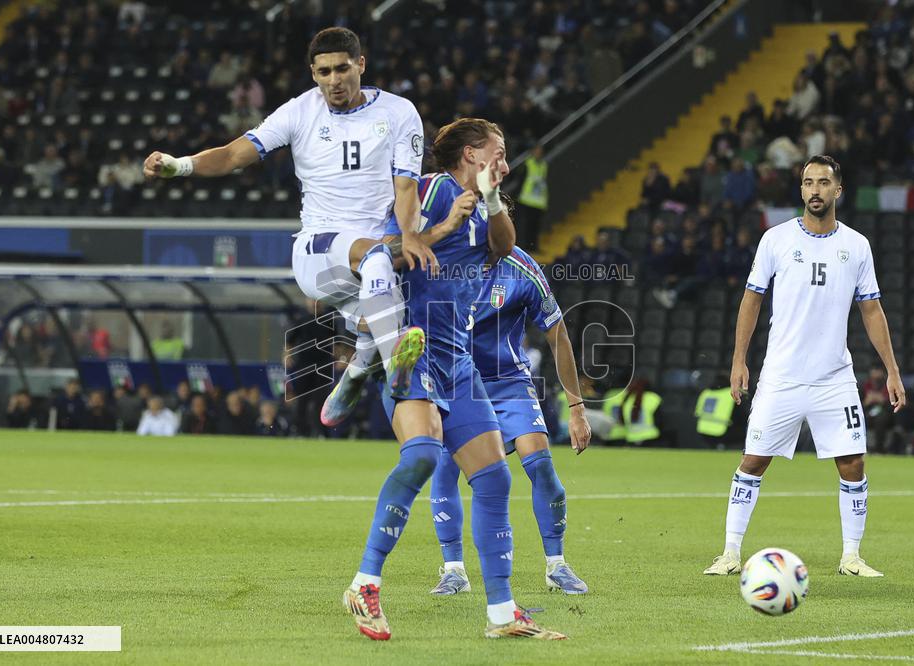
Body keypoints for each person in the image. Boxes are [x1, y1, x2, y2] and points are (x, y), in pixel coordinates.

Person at [142, 27, 436, 428]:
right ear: (313, 74)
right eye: (324, 72)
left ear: (361, 65)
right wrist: (179, 165)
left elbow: (405, 190)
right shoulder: (298, 112)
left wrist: (412, 237)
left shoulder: (400, 113)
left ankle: (353, 375)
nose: (334, 80)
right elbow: (232, 155)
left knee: (379, 300)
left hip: (374, 256)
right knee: (378, 260)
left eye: (342, 68)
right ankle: (398, 373)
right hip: (318, 252)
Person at [349, 118, 565, 640]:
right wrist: (440, 230)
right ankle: (365, 582)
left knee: (494, 476)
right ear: (470, 153)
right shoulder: (424, 190)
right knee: (423, 454)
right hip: (410, 347)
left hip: (457, 360)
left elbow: (506, 247)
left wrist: (491, 201)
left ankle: (502, 613)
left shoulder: (487, 208)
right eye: (499, 153)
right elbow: (377, 256)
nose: (507, 164)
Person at [703, 155, 906, 578]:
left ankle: (851, 556)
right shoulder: (775, 240)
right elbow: (751, 300)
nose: (815, 189)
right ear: (801, 190)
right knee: (753, 461)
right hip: (781, 376)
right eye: (808, 182)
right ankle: (730, 552)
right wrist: (739, 361)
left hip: (835, 378)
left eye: (823, 182)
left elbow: (871, 310)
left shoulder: (857, 245)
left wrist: (892, 370)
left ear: (838, 190)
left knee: (853, 463)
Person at [426, 242, 592, 597]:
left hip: (508, 383)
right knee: (445, 465)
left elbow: (558, 336)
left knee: (541, 464)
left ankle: (557, 565)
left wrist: (576, 408)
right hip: (456, 381)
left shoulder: (523, 268)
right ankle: (454, 570)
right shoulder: (445, 260)